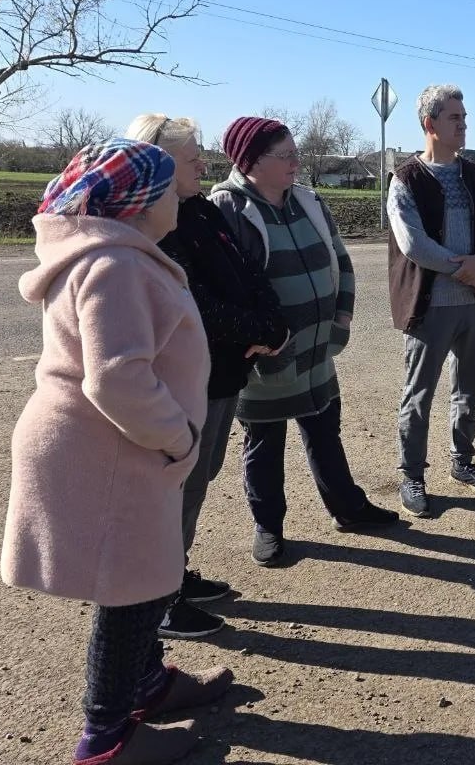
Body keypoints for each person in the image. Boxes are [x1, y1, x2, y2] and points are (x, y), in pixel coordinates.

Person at [1, 139, 233, 765]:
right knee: (131, 590)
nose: (179, 196)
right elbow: (116, 378)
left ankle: (147, 685)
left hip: (117, 447)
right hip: (113, 450)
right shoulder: (117, 264)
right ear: (139, 202)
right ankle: (105, 741)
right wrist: (179, 436)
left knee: (148, 577)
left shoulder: (116, 254)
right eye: (167, 187)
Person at [124, 114, 288, 637]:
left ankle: (173, 573)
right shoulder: (152, 225)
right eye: (191, 156)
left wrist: (274, 325)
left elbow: (248, 271)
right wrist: (258, 329)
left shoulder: (198, 208)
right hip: (189, 378)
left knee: (200, 477)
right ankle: (158, 598)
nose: (203, 164)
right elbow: (193, 303)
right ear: (157, 162)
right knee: (178, 485)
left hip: (223, 374)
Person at [210, 116, 397, 567]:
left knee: (325, 429)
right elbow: (223, 288)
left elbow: (341, 261)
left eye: (295, 153)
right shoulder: (227, 208)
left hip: (319, 349)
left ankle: (348, 508)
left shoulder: (309, 201)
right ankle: (268, 527)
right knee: (264, 443)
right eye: (286, 155)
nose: (297, 162)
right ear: (251, 161)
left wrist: (342, 316)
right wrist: (256, 338)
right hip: (267, 355)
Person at [387, 84, 475, 517]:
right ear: (430, 124)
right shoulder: (406, 180)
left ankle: (463, 461)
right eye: (455, 117)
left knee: (469, 390)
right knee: (418, 395)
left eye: (464, 117)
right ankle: (412, 475)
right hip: (429, 306)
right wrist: (468, 270)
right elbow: (413, 244)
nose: (463, 124)